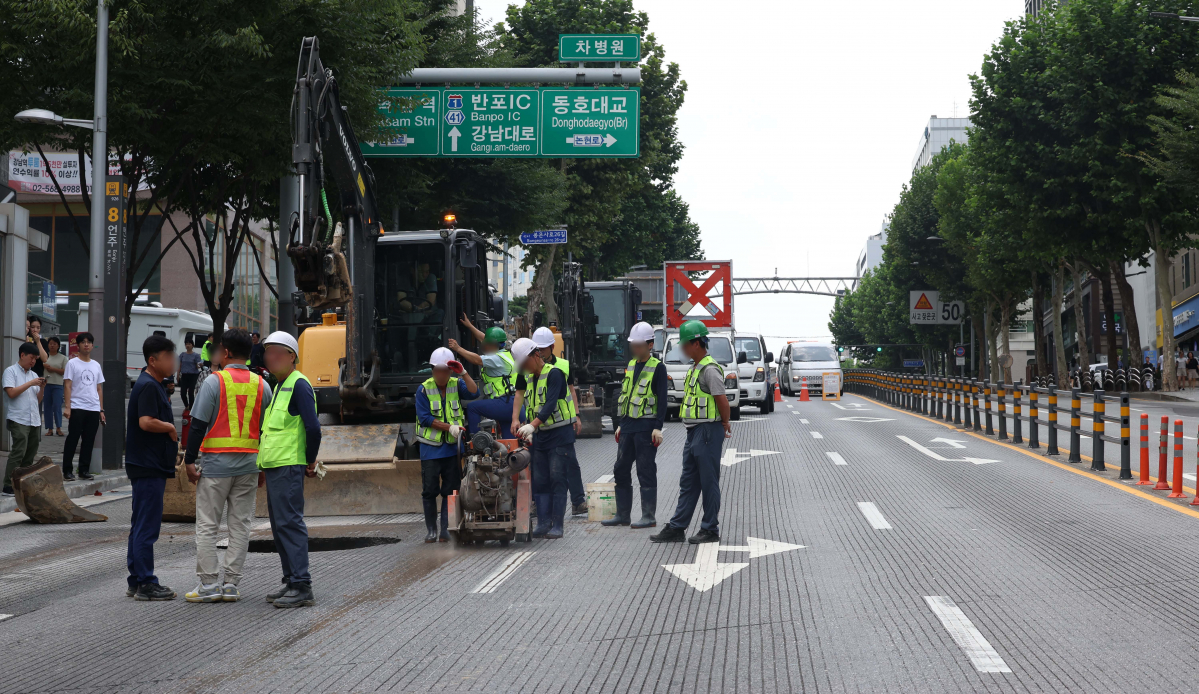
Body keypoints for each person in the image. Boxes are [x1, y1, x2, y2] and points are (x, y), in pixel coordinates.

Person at [182, 329, 269, 604]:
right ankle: (231, 584)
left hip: (216, 467)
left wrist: (189, 461)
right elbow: (266, 431)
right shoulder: (262, 385)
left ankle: (208, 585)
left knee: (208, 525)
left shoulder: (213, 382)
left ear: (227, 352)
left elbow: (197, 426)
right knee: (241, 525)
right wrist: (263, 465)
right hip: (250, 466)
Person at [651, 320, 732, 545]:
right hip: (694, 431)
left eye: (685, 345)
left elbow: (722, 400)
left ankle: (710, 529)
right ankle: (678, 527)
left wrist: (725, 422)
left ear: (697, 343)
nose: (683, 350)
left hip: (707, 430)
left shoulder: (710, 369)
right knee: (689, 482)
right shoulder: (695, 367)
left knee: (708, 482)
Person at [259, 331, 322, 608]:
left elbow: (313, 428)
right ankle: (291, 581)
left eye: (276, 353)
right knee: (279, 525)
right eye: (267, 353)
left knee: (290, 524)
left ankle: (302, 584)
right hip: (276, 466)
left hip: (289, 466)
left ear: (292, 356)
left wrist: (310, 460)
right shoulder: (281, 386)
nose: (270, 358)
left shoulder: (298, 385)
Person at [125, 334, 179, 601]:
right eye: (168, 357)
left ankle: (136, 579)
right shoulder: (148, 385)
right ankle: (146, 583)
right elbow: (146, 422)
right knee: (147, 526)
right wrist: (170, 427)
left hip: (147, 464)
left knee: (140, 524)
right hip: (148, 465)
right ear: (152, 360)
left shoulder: (155, 384)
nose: (173, 362)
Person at [513, 337, 579, 539]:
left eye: (525, 363)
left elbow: (550, 404)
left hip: (560, 434)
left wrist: (532, 425)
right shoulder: (531, 378)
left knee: (557, 477)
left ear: (535, 355)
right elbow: (527, 401)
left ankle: (557, 525)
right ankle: (543, 523)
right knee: (540, 480)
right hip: (541, 435)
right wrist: (522, 423)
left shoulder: (555, 374)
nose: (524, 368)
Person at [602, 322, 666, 529]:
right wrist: (621, 423)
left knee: (645, 470)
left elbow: (662, 400)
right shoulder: (631, 365)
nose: (635, 348)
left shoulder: (658, 367)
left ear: (649, 344)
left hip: (646, 426)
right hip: (628, 425)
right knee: (620, 468)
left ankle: (648, 516)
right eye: (633, 345)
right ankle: (623, 514)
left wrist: (658, 426)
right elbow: (627, 395)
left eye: (638, 345)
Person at [520, 326, 587, 516]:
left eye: (543, 349)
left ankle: (577, 501)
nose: (540, 352)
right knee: (540, 470)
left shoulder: (561, 367)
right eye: (537, 349)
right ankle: (538, 505)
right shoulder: (529, 371)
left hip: (560, 425)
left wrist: (577, 416)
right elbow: (523, 395)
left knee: (568, 465)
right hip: (540, 429)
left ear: (551, 347)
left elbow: (571, 391)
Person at [415, 346, 479, 542]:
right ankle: (431, 530)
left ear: (450, 370)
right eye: (437, 371)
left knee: (451, 490)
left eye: (445, 371)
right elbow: (425, 418)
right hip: (430, 450)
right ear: (432, 370)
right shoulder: (423, 389)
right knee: (429, 490)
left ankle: (445, 530)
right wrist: (449, 427)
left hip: (452, 449)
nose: (440, 375)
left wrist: (464, 372)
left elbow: (474, 392)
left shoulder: (456, 384)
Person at [451, 314, 516, 435]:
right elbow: (484, 339)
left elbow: (477, 360)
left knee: (473, 408)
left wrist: (458, 348)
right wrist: (470, 326)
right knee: (509, 441)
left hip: (504, 402)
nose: (483, 345)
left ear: (492, 344)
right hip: (513, 403)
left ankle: (476, 441)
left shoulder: (496, 359)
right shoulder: (505, 352)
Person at [3, 343, 45, 496]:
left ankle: (22, 483)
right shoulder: (10, 371)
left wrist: (42, 387)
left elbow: (38, 400)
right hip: (18, 418)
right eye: (31, 358)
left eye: (35, 359)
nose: (33, 361)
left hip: (34, 419)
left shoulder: (34, 375)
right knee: (18, 451)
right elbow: (11, 393)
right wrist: (31, 383)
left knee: (30, 453)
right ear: (22, 355)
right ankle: (8, 485)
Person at [62, 332, 105, 481]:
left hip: (93, 407)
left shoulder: (96, 365)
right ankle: (67, 470)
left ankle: (84, 470)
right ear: (78, 345)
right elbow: (67, 385)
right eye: (83, 342)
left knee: (89, 440)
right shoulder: (72, 363)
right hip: (77, 406)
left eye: (89, 342)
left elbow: (99, 388)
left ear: (92, 345)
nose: (86, 344)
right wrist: (68, 407)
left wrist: (101, 409)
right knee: (73, 439)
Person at [43, 337, 67, 436]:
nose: (52, 345)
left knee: (57, 406)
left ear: (58, 346)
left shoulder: (63, 358)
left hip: (58, 385)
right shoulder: (45, 356)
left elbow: (65, 371)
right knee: (47, 407)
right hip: (46, 384)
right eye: (50, 343)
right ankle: (49, 429)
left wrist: (53, 369)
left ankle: (58, 427)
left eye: (54, 343)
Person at [177, 339, 202, 410]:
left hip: (193, 375)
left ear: (192, 345)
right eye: (186, 344)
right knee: (182, 393)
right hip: (184, 375)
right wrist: (178, 374)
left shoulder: (196, 355)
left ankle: (191, 408)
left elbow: (198, 366)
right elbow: (179, 365)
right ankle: (186, 405)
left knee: (191, 392)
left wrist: (200, 365)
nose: (187, 345)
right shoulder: (182, 355)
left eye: (189, 344)